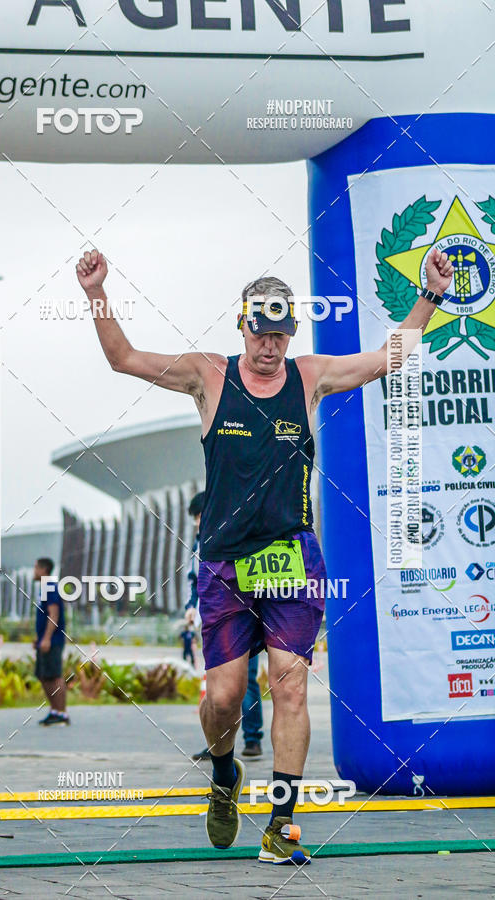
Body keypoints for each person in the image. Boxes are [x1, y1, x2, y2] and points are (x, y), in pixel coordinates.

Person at [76, 246, 453, 864]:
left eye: (280, 335)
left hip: (292, 560)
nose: (269, 348)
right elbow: (123, 358)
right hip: (224, 563)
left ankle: (282, 827)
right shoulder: (208, 375)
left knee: (290, 689)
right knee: (224, 699)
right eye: (261, 333)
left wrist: (429, 296)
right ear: (242, 324)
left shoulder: (309, 376)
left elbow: (391, 357)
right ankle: (224, 776)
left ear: (291, 334)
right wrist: (95, 292)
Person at [188, 491, 264, 761]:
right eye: (195, 518)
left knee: (246, 681)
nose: (198, 522)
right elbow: (193, 579)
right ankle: (218, 745)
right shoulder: (199, 543)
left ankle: (253, 737)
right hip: (212, 617)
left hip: (243, 615)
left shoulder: (235, 532)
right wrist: (190, 607)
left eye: (200, 515)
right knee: (217, 683)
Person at [33, 557, 69, 726]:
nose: (34, 571)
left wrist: (47, 638)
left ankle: (62, 713)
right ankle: (54, 711)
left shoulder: (50, 587)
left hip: (53, 640)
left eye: (36, 568)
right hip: (45, 639)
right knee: (43, 675)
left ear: (44, 569)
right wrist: (38, 637)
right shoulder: (44, 588)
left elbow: (53, 615)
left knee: (54, 676)